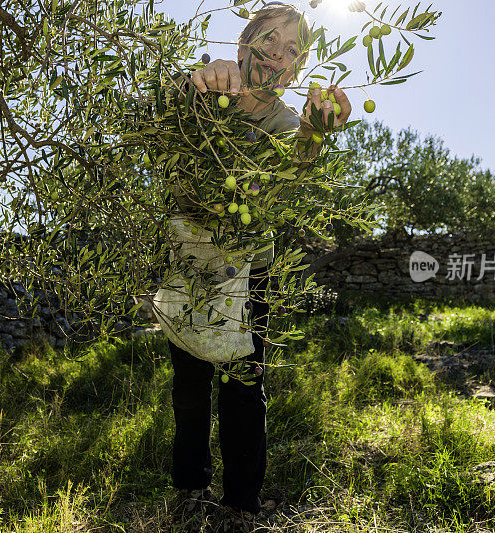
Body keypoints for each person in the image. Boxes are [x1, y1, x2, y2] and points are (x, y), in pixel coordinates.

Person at [166, 3, 352, 531]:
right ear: (244, 42)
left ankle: (241, 504)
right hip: (190, 260)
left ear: (299, 67)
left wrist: (318, 132)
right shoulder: (205, 89)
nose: (279, 55)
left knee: (244, 382)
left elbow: (296, 172)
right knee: (188, 379)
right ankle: (189, 485)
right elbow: (158, 109)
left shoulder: (288, 121)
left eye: (293, 50)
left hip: (250, 268)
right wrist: (195, 81)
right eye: (271, 40)